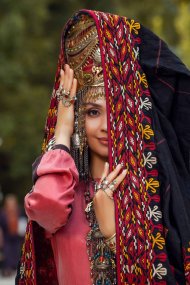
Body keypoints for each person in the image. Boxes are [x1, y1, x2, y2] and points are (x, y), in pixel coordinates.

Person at [16, 10, 190, 285]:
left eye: (116, 111)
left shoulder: (152, 195)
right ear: (77, 116)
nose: (107, 126)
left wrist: (113, 235)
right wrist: (62, 130)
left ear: (132, 112)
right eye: (93, 112)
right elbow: (47, 207)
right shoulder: (65, 192)